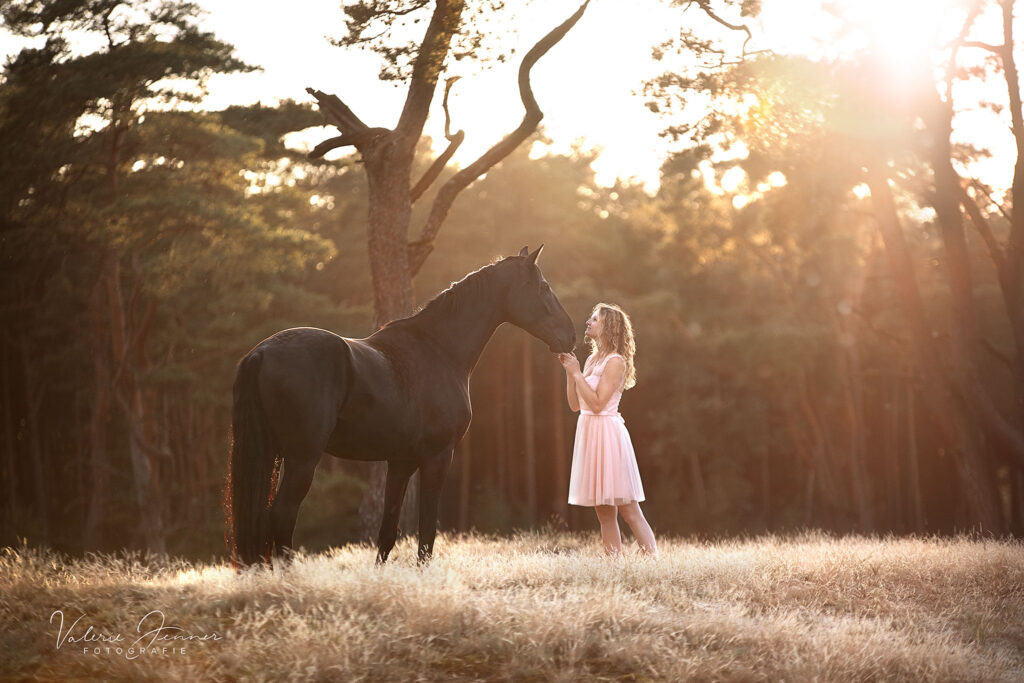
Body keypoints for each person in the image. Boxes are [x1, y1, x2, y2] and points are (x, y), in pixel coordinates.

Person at [557, 303, 657, 556]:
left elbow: (599, 404)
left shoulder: (616, 362)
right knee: (603, 510)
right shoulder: (591, 359)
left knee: (628, 508)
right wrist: (571, 375)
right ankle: (614, 567)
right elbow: (574, 405)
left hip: (608, 435)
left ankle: (653, 561)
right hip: (590, 433)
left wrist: (578, 374)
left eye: (594, 319)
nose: (588, 322)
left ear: (607, 327)